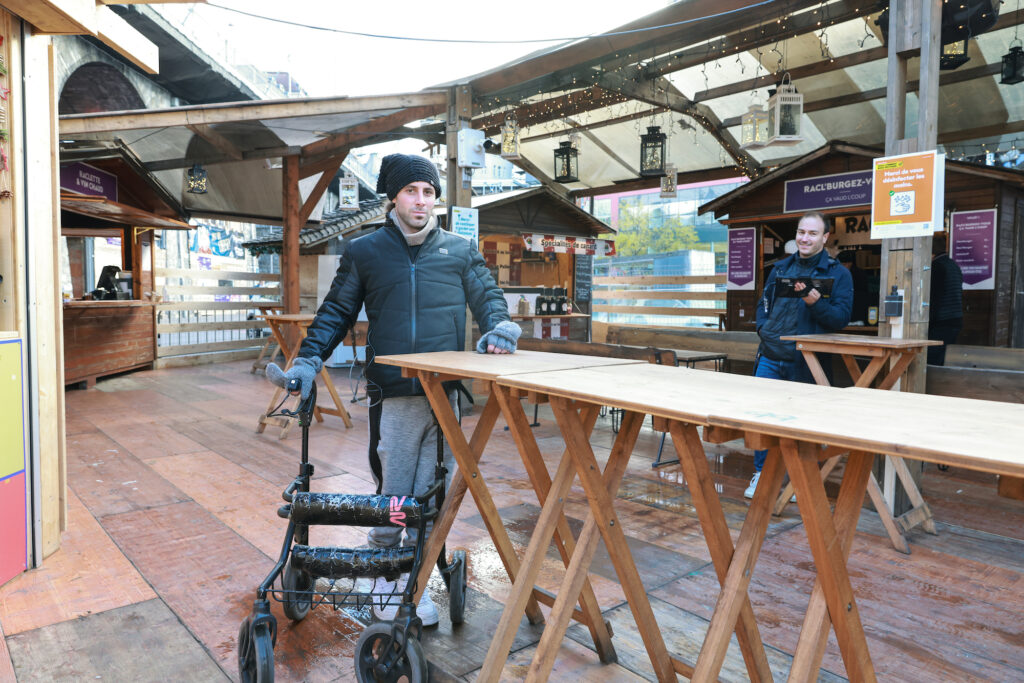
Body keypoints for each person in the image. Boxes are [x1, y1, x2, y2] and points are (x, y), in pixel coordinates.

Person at [268, 153, 521, 625]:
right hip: (395, 394)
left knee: (431, 493)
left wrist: (500, 328)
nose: (421, 200)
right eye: (411, 191)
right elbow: (335, 312)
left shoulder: (460, 250)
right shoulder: (366, 252)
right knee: (396, 489)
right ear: (394, 197)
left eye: (428, 192)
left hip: (445, 397)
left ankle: (414, 576)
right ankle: (382, 569)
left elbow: (488, 297)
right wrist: (306, 359)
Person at [745, 212, 853, 499]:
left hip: (805, 360)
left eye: (813, 233)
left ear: (825, 237)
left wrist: (816, 304)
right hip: (770, 354)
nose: (805, 238)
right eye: (801, 232)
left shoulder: (838, 273)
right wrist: (762, 327)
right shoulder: (780, 268)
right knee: (761, 419)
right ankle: (761, 475)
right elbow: (764, 303)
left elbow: (840, 318)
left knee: (800, 421)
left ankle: (796, 481)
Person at [927, 239, 963, 366]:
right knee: (943, 357)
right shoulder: (953, 264)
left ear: (930, 253)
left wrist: (928, 322)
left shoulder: (937, 266)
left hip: (942, 321)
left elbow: (935, 298)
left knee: (931, 358)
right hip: (955, 318)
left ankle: (930, 385)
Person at [836, 250, 870, 324]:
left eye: (842, 264)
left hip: (855, 312)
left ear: (848, 264)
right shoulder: (859, 273)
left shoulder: (855, 275)